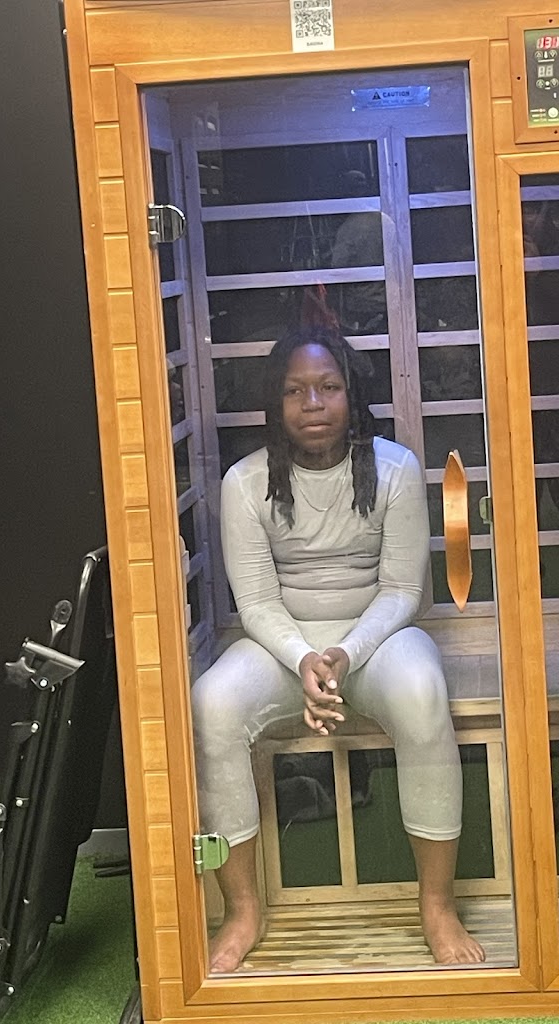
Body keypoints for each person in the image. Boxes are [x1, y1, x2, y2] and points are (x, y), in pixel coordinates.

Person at [191, 325, 485, 972]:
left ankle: (437, 904)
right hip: (281, 644)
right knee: (211, 702)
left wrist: (344, 655)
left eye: (328, 387)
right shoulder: (244, 482)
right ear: (276, 404)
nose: (313, 404)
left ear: (351, 395)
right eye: (295, 391)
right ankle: (241, 909)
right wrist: (304, 659)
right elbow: (256, 603)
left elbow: (404, 590)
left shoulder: (396, 468)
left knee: (422, 693)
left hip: (378, 639)